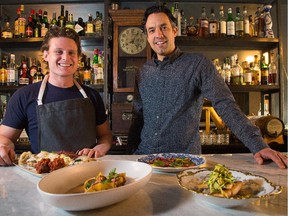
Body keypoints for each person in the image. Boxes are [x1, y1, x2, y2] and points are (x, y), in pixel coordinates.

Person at [127, 5, 287, 169]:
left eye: (163, 28)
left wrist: (258, 145)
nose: (158, 35)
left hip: (185, 163)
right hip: (145, 161)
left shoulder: (197, 64)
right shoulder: (143, 72)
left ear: (174, 30)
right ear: (147, 36)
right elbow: (138, 116)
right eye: (152, 30)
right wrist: (131, 153)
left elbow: (225, 104)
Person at [0, 26, 112, 166]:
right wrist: (3, 146)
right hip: (42, 176)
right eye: (59, 52)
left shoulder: (92, 96)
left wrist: (101, 147)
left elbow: (105, 135)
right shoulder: (24, 96)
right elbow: (4, 136)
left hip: (86, 174)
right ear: (46, 55)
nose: (66, 57)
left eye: (72, 52)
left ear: (78, 57)